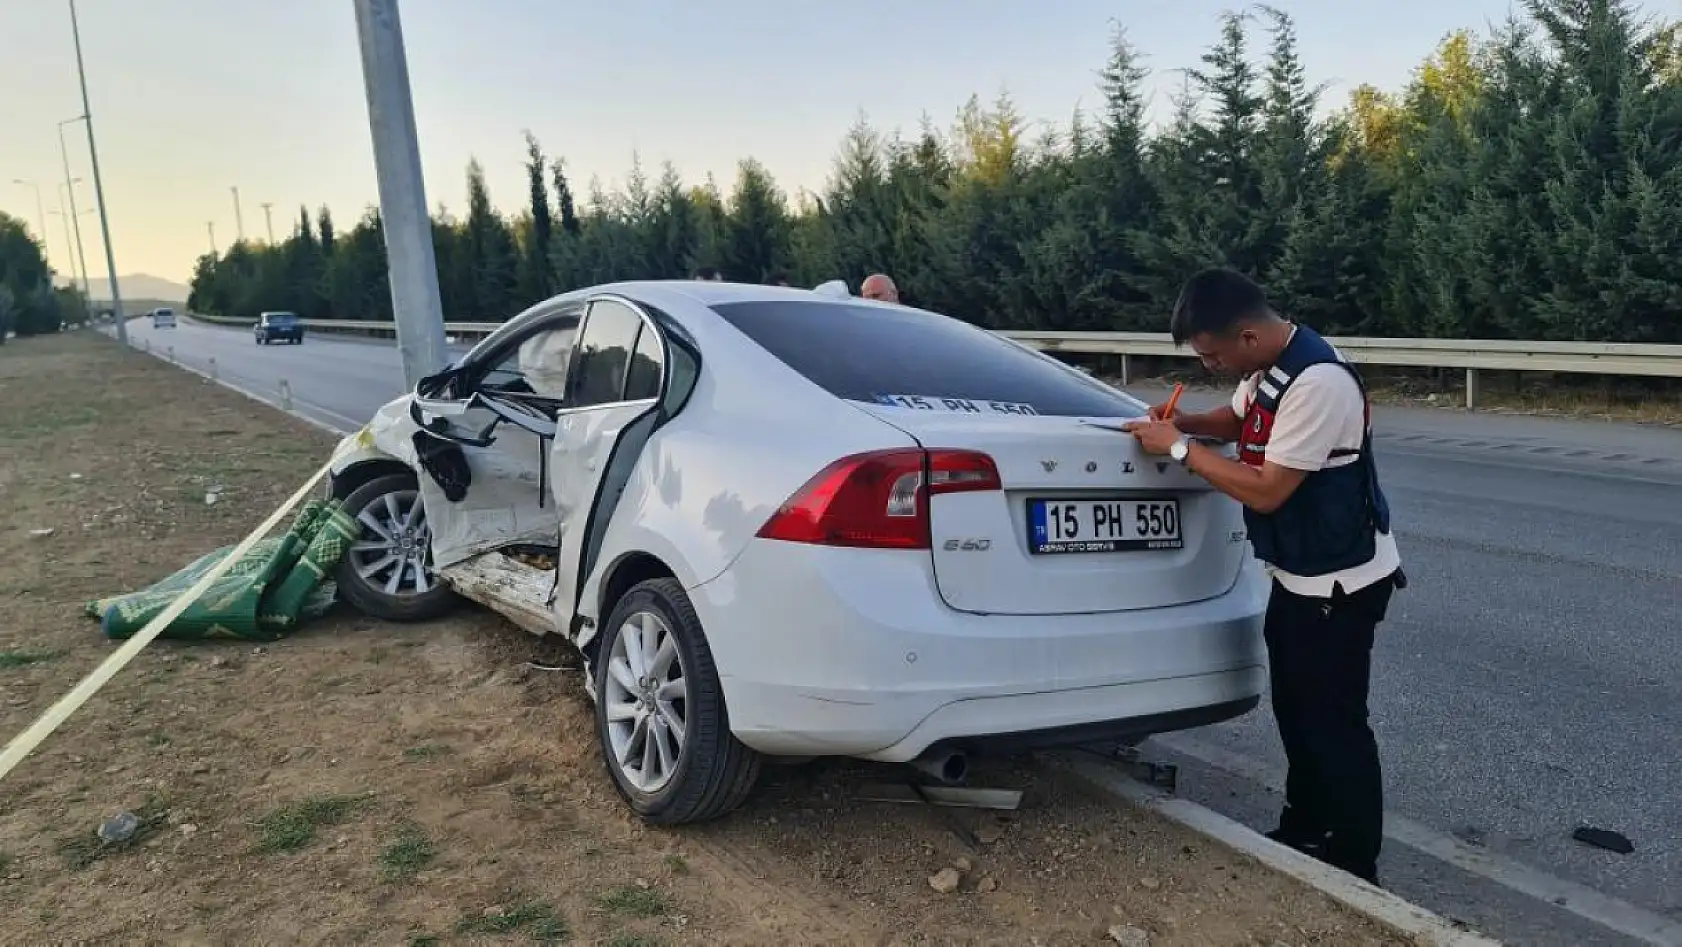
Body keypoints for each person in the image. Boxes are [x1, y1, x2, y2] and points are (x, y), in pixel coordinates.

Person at [1122, 267, 1405, 886]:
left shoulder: (1318, 382)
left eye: (1213, 355)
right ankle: (1304, 830)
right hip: (1300, 573)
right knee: (1296, 711)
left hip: (1340, 583)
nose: (1210, 366)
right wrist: (1184, 423)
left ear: (1247, 336)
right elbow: (1238, 419)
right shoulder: (1271, 368)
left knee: (1334, 722)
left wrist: (1178, 449)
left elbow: (1267, 489)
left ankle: (1354, 861)